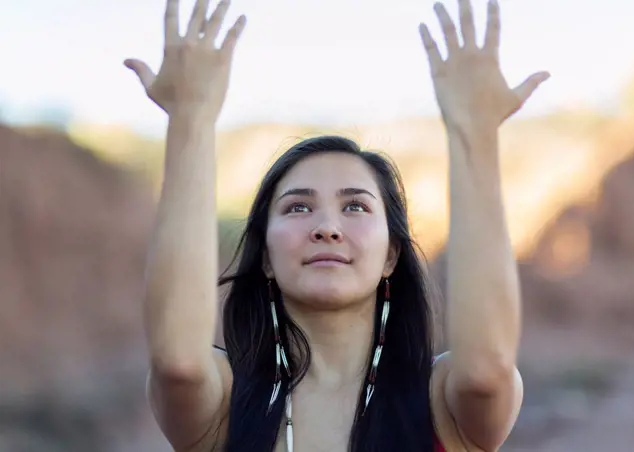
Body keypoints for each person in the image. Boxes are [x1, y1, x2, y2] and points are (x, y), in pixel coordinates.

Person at [124, 0, 549, 450]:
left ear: (391, 255)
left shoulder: (440, 400)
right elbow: (177, 363)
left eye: (355, 207)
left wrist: (474, 129)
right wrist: (190, 118)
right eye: (298, 208)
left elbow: (487, 371)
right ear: (265, 255)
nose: (327, 227)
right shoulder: (225, 402)